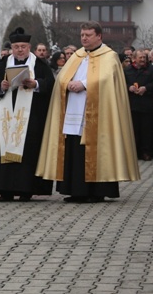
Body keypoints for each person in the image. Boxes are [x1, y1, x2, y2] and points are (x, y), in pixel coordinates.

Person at [37, 21, 140, 203]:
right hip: (73, 110)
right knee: (74, 148)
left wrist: (84, 84)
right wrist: (66, 83)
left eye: (88, 35)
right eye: (82, 35)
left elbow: (107, 79)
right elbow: (61, 78)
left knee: (96, 149)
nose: (84, 38)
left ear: (99, 36)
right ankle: (76, 190)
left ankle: (97, 191)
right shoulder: (77, 55)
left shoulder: (109, 56)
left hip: (99, 115)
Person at [0, 28, 54, 201]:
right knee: (4, 150)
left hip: (31, 117)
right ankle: (5, 190)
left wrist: (36, 84)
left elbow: (50, 84)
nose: (20, 50)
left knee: (29, 151)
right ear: (12, 48)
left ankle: (26, 189)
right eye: (16, 47)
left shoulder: (38, 64)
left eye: (23, 46)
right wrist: (1, 86)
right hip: (6, 118)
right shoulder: (4, 63)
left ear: (29, 47)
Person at [123, 49, 153, 161]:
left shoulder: (151, 69)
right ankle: (134, 152)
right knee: (133, 130)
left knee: (146, 130)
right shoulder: (127, 71)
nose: (142, 59)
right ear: (134, 59)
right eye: (140, 57)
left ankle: (146, 152)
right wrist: (129, 87)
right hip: (132, 105)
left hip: (147, 105)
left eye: (144, 57)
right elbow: (122, 84)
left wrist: (146, 88)